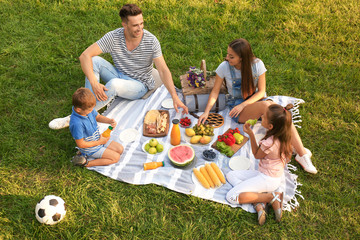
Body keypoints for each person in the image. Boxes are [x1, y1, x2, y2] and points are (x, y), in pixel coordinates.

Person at [49, 3, 188, 129]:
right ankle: (88, 106)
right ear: (124, 24)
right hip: (119, 73)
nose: (140, 28)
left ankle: (76, 116)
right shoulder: (114, 37)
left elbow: (163, 70)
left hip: (139, 85)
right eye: (135, 25)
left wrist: (174, 96)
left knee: (114, 84)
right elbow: (84, 56)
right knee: (94, 60)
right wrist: (94, 83)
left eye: (141, 23)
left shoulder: (151, 41)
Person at [198, 38, 317, 174]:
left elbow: (261, 91)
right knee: (271, 108)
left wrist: (245, 104)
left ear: (242, 58)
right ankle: (301, 153)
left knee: (282, 114)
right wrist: (206, 112)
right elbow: (215, 91)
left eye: (231, 56)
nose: (227, 58)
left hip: (255, 101)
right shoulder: (224, 67)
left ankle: (301, 154)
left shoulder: (257, 65)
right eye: (227, 54)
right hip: (237, 107)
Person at [226, 104, 293, 225]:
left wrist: (250, 134)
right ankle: (255, 199)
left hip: (267, 179)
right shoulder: (284, 137)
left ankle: (270, 197)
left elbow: (256, 155)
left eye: (264, 117)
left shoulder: (269, 143)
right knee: (231, 175)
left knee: (231, 197)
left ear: (271, 126)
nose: (261, 116)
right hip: (268, 175)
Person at [69, 88, 124, 167]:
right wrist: (100, 142)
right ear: (78, 109)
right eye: (90, 110)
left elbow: (97, 117)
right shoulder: (76, 124)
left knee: (120, 149)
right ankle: (86, 163)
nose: (92, 111)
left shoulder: (88, 110)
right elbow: (81, 144)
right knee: (115, 158)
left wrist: (109, 121)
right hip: (90, 148)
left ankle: (83, 153)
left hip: (98, 139)